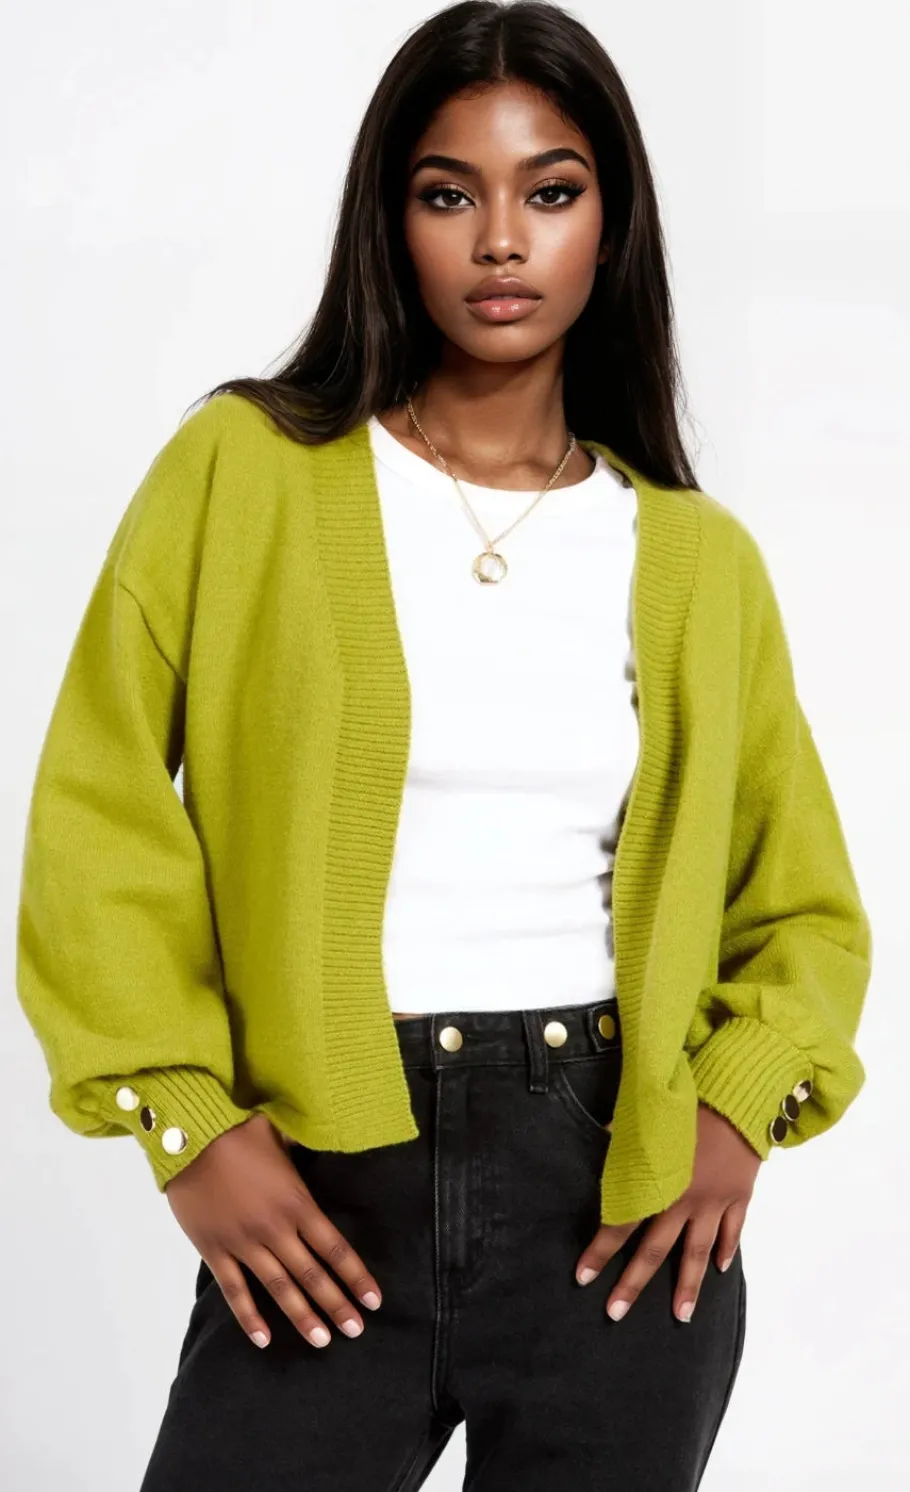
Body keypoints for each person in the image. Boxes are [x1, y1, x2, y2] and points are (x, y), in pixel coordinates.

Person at [15, 3, 873, 1488]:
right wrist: (187, 1122)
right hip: (321, 1192)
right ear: (389, 221)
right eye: (446, 193)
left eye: (552, 191)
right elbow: (97, 812)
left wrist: (739, 1109)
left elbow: (798, 898)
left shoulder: (693, 558)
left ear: (611, 226)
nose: (501, 240)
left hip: (614, 1200)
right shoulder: (245, 471)